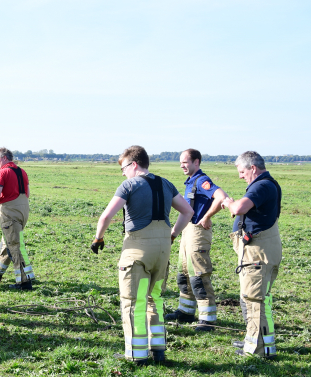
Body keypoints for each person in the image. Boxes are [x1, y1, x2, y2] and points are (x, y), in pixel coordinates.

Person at [91, 146, 193, 365]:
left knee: (132, 301)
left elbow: (107, 216)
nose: (123, 173)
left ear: (134, 165)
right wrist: (172, 234)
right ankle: (158, 350)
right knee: (154, 298)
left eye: (124, 168)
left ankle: (136, 354)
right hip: (163, 249)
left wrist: (98, 238)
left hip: (137, 249)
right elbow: (188, 212)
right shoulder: (166, 183)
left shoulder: (129, 185)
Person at [221, 151, 282, 359]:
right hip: (260, 249)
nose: (240, 176)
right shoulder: (267, 184)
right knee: (257, 298)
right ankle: (260, 342)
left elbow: (239, 208)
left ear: (253, 168)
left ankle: (257, 350)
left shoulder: (262, 185)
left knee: (255, 299)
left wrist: (228, 203)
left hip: (258, 253)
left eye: (241, 171)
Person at [165, 149, 229, 332]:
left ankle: (207, 320)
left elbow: (221, 197)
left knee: (199, 276)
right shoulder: (191, 181)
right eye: (181, 163)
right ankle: (186, 311)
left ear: (196, 162)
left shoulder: (202, 181)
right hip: (188, 231)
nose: (182, 165)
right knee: (183, 274)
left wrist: (207, 217)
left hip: (198, 232)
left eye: (185, 162)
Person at [0, 147, 35, 290]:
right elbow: (28, 193)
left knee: (14, 246)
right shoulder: (22, 172)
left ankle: (24, 282)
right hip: (23, 211)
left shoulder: (2, 172)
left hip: (10, 213)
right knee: (9, 241)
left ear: (4, 158)